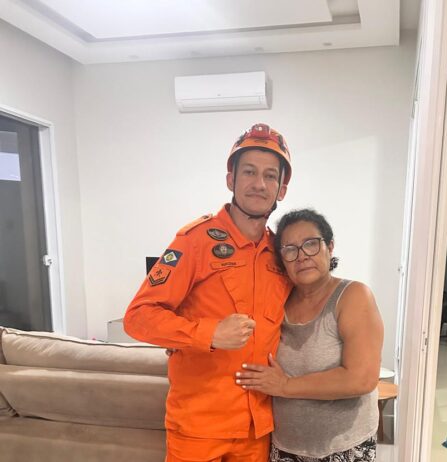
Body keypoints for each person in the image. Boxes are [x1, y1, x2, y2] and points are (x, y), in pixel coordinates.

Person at [123, 123, 294, 462]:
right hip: (199, 427)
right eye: (249, 172)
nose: (259, 184)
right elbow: (137, 318)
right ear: (231, 179)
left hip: (257, 429)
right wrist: (209, 334)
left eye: (270, 176)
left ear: (282, 189)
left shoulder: (280, 252)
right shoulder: (194, 241)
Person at [234, 209, 384, 462]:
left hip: (343, 447)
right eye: (290, 249)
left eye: (311, 244)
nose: (302, 255)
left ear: (330, 247)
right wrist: (192, 342)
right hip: (284, 446)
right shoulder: (277, 302)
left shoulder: (354, 296)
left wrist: (285, 386)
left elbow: (362, 379)